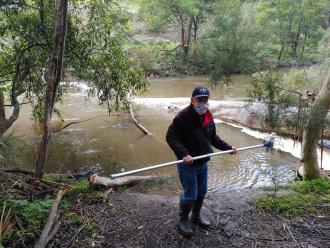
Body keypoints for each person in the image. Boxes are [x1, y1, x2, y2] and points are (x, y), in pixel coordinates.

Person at [166, 86, 237, 237]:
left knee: (202, 192)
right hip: (187, 164)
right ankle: (183, 220)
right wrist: (184, 154)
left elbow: (213, 138)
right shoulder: (182, 116)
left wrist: (228, 148)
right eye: (199, 100)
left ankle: (196, 217)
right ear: (192, 100)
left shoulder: (208, 116)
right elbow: (171, 137)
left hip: (203, 161)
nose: (203, 103)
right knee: (190, 194)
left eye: (205, 100)